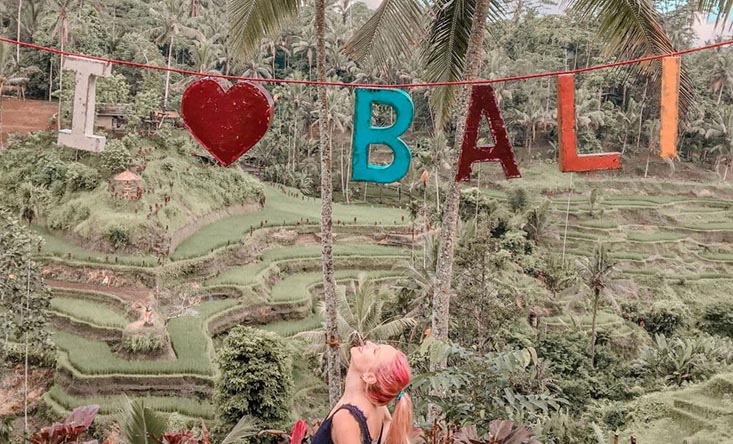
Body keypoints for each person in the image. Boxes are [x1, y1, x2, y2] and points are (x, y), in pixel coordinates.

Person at [311, 341, 412, 444]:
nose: (369, 343)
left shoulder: (346, 419)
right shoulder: (378, 408)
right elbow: (388, 424)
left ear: (370, 377)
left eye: (374, 351)